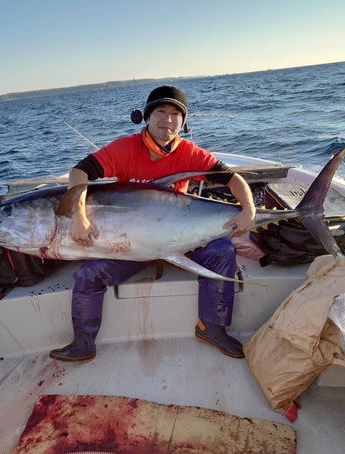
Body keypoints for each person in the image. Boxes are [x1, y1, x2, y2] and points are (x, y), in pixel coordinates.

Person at [49, 85, 256, 363]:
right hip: (130, 244)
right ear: (147, 117)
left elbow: (232, 179)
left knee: (223, 252)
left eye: (175, 114)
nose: (167, 120)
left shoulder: (190, 153)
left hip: (179, 239)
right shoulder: (125, 148)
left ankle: (211, 328)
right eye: (160, 111)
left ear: (183, 122)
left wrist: (249, 211)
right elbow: (80, 172)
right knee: (89, 274)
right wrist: (79, 216)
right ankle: (83, 343)